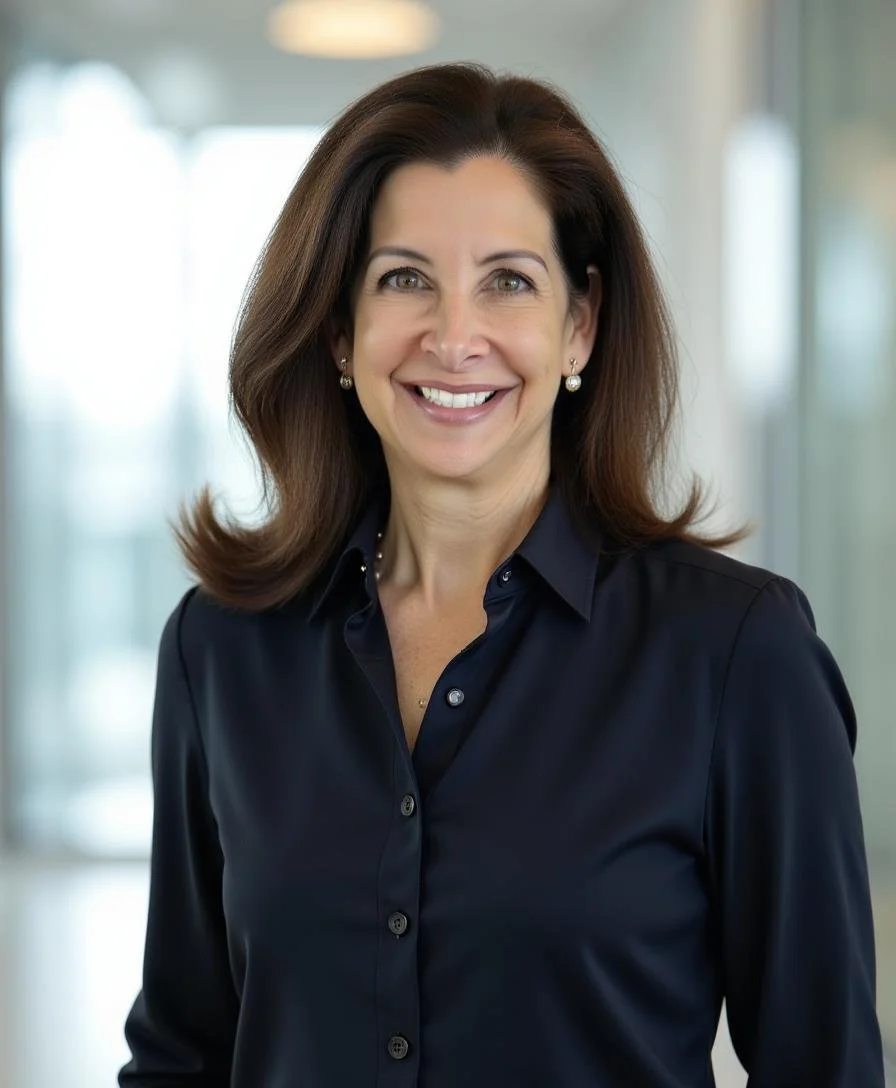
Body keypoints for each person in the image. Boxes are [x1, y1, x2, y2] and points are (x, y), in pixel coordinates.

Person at [118, 62, 885, 1086]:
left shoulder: (736, 654)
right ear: (339, 329)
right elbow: (181, 1050)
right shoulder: (220, 647)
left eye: (507, 281)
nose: (452, 335)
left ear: (578, 325)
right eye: (403, 278)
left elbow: (821, 1066)